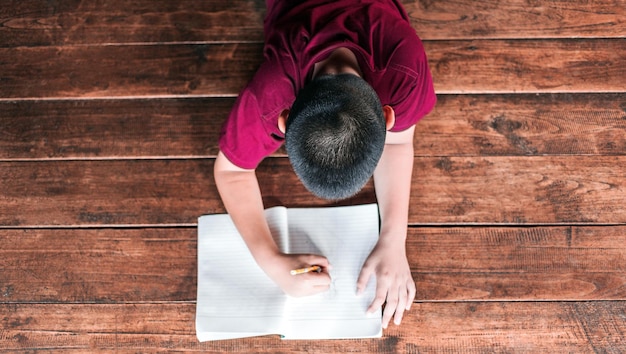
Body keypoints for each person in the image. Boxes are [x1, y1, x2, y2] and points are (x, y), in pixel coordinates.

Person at [214, 0, 436, 329]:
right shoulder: (402, 69)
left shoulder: (404, 69)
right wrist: (269, 260)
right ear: (388, 116)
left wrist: (393, 237)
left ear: (284, 122)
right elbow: (229, 171)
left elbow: (233, 170)